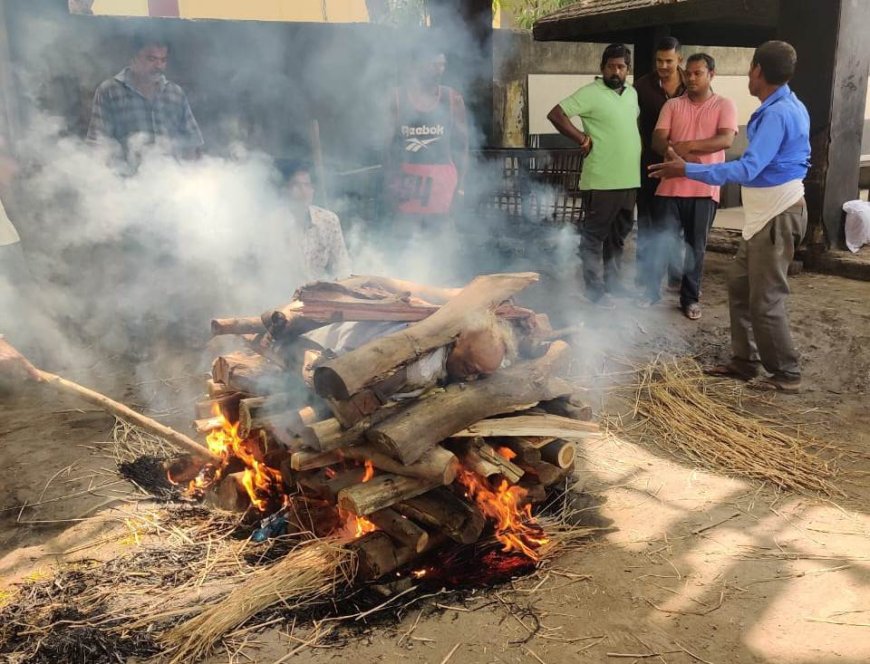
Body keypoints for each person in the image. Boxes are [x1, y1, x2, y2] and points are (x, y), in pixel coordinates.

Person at [650, 41, 810, 392]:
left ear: (757, 71)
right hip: (763, 218)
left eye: (751, 69)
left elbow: (749, 168)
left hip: (776, 215)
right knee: (739, 286)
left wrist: (687, 169)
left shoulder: (779, 113)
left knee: (766, 299)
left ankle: (786, 373)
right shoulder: (782, 105)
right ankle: (745, 361)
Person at [643, 53, 738, 319]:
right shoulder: (672, 105)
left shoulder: (724, 105)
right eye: (690, 73)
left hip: (704, 189)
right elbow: (658, 141)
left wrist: (687, 147)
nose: (693, 78)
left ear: (711, 75)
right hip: (669, 187)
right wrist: (686, 156)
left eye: (699, 73)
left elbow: (726, 140)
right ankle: (650, 292)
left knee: (696, 246)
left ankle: (690, 298)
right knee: (660, 242)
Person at [547, 43, 641, 307]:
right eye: (611, 66)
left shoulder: (632, 94)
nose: (615, 71)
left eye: (621, 66)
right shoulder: (590, 93)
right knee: (593, 238)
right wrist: (580, 137)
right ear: (602, 68)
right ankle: (594, 290)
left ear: (627, 70)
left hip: (629, 179)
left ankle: (613, 284)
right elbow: (556, 113)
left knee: (618, 236)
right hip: (601, 179)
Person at [385, 47, 469, 233]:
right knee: (406, 249)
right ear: (418, 65)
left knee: (442, 250)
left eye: (442, 65)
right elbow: (388, 148)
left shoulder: (452, 99)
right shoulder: (397, 99)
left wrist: (461, 187)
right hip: (407, 190)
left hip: (442, 190)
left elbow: (462, 146)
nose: (439, 70)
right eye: (433, 65)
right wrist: (390, 185)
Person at [87, 34, 203, 168]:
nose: (158, 66)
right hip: (127, 184)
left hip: (171, 181)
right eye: (151, 59)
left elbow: (193, 143)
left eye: (163, 60)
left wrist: (191, 176)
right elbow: (98, 144)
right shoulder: (110, 90)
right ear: (133, 58)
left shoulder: (175, 93)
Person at [634, 36, 686, 291]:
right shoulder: (641, 86)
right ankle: (645, 278)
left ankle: (676, 275)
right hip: (650, 163)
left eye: (669, 61)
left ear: (680, 59)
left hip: (683, 165)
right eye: (659, 61)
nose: (663, 66)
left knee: (676, 222)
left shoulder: (692, 84)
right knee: (647, 221)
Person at [284, 161, 352, 282]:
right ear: (286, 190)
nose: (303, 191)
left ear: (313, 190)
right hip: (285, 294)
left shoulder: (328, 220)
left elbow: (342, 267)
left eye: (307, 185)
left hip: (319, 294)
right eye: (297, 185)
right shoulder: (274, 224)